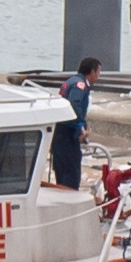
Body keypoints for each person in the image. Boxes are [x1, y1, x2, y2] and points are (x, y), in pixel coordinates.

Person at [53, 56, 96, 188]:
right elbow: (75, 104)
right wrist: (82, 127)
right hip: (67, 133)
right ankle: (69, 195)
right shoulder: (80, 85)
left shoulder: (70, 81)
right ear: (92, 72)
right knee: (71, 173)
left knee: (61, 171)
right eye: (98, 72)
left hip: (59, 131)